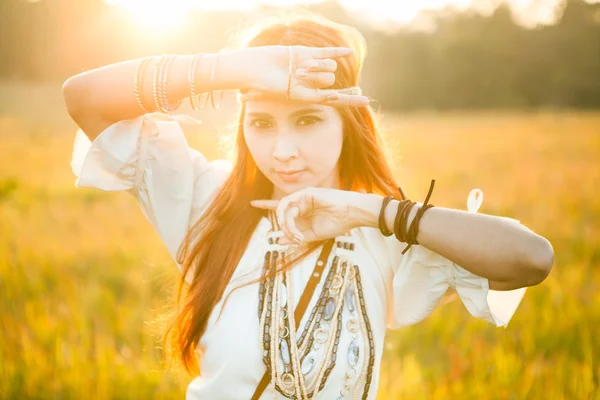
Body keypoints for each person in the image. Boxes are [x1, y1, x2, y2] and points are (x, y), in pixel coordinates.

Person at [62, 11, 553, 400]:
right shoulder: (202, 199)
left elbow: (531, 260)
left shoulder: (386, 233)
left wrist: (375, 212)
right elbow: (83, 97)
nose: (282, 151)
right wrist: (231, 69)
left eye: (307, 120)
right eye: (261, 123)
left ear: (348, 122)